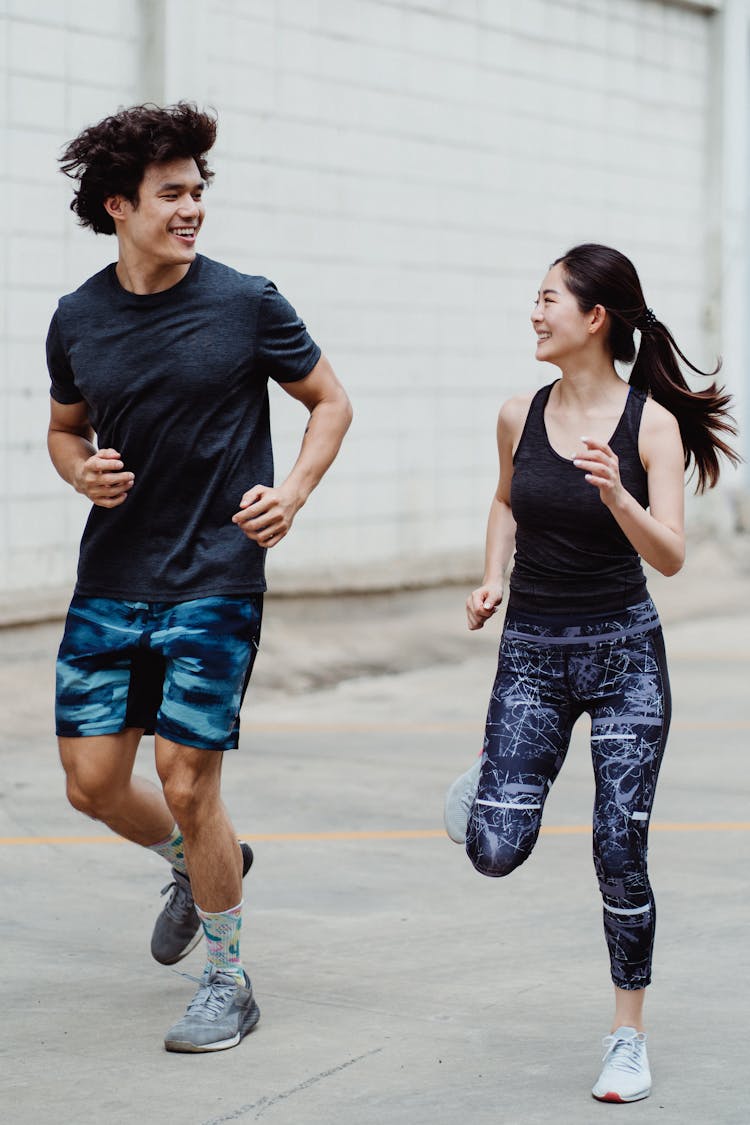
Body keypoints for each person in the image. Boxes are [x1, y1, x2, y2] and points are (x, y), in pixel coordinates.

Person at [46, 102, 352, 1053]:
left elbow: (331, 402)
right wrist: (79, 469)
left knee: (186, 779)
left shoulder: (246, 301)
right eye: (171, 194)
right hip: (111, 580)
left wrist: (291, 493)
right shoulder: (78, 317)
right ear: (118, 206)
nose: (192, 209)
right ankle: (200, 866)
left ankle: (229, 975)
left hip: (217, 575)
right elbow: (66, 429)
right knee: (92, 785)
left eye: (197, 192)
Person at [443, 243, 738, 1102]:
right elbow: (505, 498)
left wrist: (619, 495)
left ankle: (626, 1035)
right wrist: (493, 575)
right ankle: (497, 777)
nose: (534, 313)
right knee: (494, 851)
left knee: (619, 847)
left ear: (593, 317)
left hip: (622, 657)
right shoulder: (517, 413)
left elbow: (674, 556)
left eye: (547, 300)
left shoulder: (651, 425)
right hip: (532, 650)